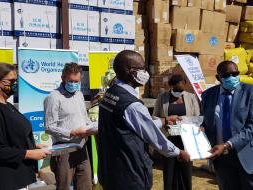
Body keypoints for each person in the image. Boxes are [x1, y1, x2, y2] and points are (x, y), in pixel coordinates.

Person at [97, 50, 191, 190]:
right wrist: (179, 152)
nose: (145, 72)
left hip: (110, 170)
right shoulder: (132, 105)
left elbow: (132, 125)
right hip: (130, 175)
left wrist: (163, 121)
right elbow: (154, 137)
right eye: (142, 68)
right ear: (130, 71)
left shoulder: (109, 94)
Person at [0, 62, 51, 190]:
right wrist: (29, 153)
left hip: (22, 177)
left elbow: (12, 137)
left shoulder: (8, 106)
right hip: (7, 180)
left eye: (16, 81)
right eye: (11, 81)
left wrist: (33, 145)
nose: (15, 85)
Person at [201, 61, 253, 190]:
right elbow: (207, 122)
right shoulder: (207, 95)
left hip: (245, 154)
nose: (232, 77)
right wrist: (200, 129)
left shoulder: (250, 92)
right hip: (221, 158)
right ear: (218, 78)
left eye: (235, 74)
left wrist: (227, 144)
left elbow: (251, 126)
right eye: (227, 75)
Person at [44, 62, 95, 190]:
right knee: (64, 186)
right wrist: (72, 132)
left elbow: (84, 118)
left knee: (86, 185)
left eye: (76, 81)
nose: (73, 84)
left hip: (82, 147)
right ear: (63, 78)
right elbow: (49, 127)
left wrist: (92, 127)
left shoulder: (79, 94)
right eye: (70, 81)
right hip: (63, 150)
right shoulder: (53, 97)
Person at [153, 74, 200, 190]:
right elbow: (154, 116)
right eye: (177, 86)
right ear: (171, 86)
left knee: (186, 170)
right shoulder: (162, 97)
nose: (181, 88)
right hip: (169, 139)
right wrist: (166, 122)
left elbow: (197, 117)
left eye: (182, 85)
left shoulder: (191, 97)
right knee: (169, 171)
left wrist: (193, 125)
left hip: (187, 140)